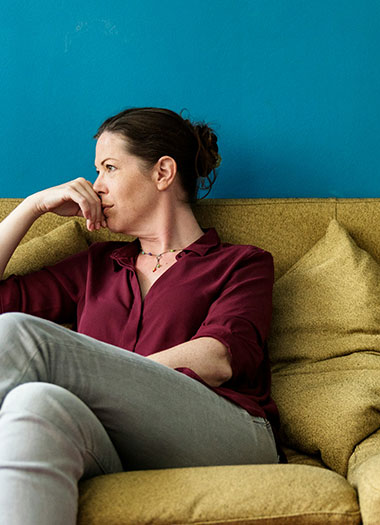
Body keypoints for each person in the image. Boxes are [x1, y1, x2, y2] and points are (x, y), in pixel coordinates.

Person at [0, 107, 280, 524]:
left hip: (227, 432)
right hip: (116, 440)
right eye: (97, 171)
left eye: (109, 168)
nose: (95, 186)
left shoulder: (242, 264)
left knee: (20, 334)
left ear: (163, 172)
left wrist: (102, 379)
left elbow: (218, 358)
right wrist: (32, 207)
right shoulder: (97, 264)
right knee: (34, 403)